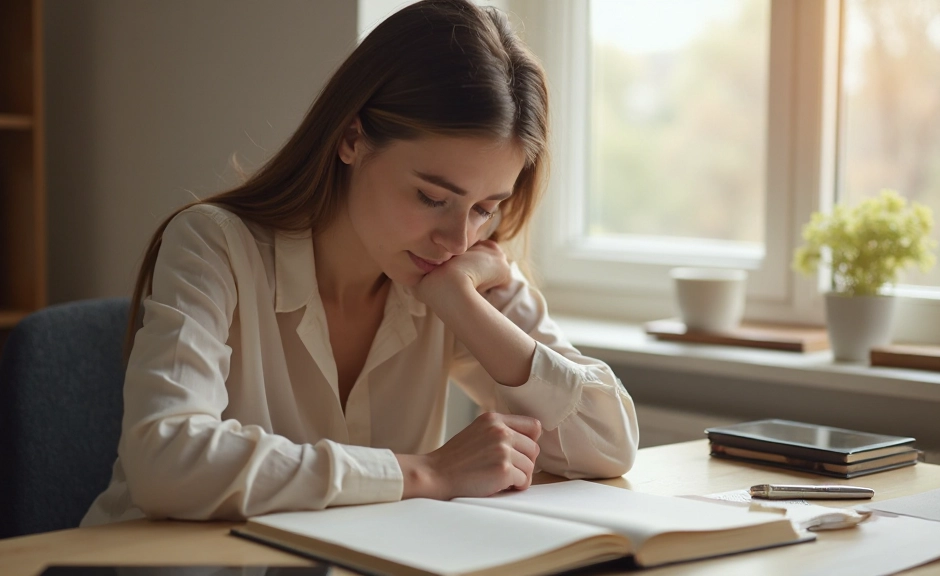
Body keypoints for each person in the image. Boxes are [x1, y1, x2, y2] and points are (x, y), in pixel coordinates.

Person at [81, 0, 638, 527]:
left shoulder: (465, 270)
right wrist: (425, 472)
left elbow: (610, 444)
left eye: (485, 209)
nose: (456, 237)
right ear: (352, 138)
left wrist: (463, 306)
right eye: (431, 197)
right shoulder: (213, 245)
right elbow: (165, 457)